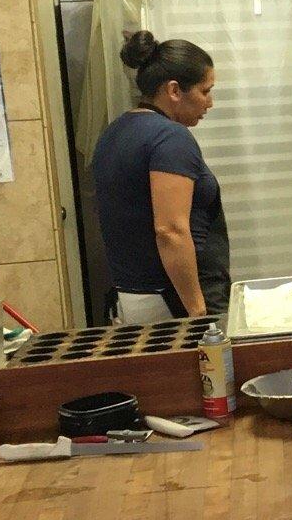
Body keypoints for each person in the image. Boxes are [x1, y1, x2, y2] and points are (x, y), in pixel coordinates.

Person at [91, 32, 229, 322]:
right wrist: (198, 310)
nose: (210, 102)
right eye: (205, 91)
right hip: (172, 301)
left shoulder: (114, 132)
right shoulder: (170, 138)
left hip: (133, 296)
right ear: (175, 90)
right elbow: (170, 230)